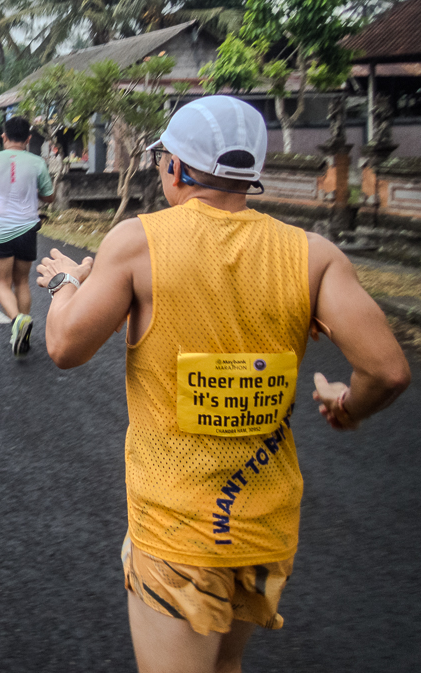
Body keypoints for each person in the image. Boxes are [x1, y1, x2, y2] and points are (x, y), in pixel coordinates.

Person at [35, 96, 411, 673]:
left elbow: (64, 347)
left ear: (178, 168)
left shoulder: (137, 242)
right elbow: (386, 370)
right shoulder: (312, 256)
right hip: (264, 527)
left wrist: (65, 282)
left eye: (162, 156)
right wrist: (347, 406)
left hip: (177, 529)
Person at [0, 116, 54, 357]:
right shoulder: (38, 162)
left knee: (1, 283)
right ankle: (24, 329)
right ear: (28, 139)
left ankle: (17, 321)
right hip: (28, 229)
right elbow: (49, 197)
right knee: (21, 282)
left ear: (4, 137)